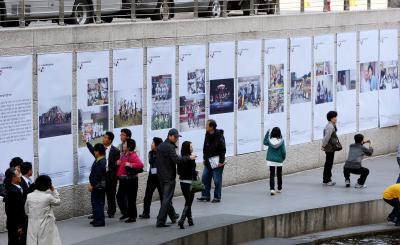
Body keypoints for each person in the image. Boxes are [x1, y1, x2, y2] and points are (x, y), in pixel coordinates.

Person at [155, 128, 196, 228]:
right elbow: (177, 159)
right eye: (175, 137)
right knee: (167, 199)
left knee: (166, 198)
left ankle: (173, 216)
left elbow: (158, 162)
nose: (177, 139)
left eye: (177, 137)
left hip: (160, 176)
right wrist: (189, 157)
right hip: (168, 177)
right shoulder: (169, 147)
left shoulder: (160, 146)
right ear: (170, 136)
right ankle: (160, 221)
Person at [86, 131, 120, 218]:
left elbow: (116, 165)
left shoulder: (115, 151)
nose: (103, 139)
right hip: (101, 176)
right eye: (103, 137)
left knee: (111, 195)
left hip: (111, 177)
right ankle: (97, 213)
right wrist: (87, 142)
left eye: (105, 137)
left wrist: (115, 176)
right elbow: (93, 151)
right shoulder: (100, 149)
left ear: (110, 140)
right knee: (99, 196)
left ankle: (111, 212)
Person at [25, 175, 62, 245]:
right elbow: (58, 202)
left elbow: (26, 210)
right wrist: (54, 191)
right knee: (47, 241)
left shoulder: (29, 196)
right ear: (48, 185)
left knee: (33, 241)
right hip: (46, 223)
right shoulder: (48, 197)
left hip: (32, 223)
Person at [198, 119, 226, 203]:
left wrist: (221, 161)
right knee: (205, 178)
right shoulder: (207, 134)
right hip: (207, 160)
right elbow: (205, 148)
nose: (205, 126)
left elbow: (223, 150)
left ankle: (217, 197)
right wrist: (204, 158)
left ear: (211, 127)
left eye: (207, 125)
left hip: (216, 160)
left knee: (217, 180)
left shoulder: (219, 136)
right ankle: (205, 195)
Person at [116, 139, 144, 223]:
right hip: (123, 180)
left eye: (124, 144)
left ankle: (132, 216)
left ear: (128, 147)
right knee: (119, 197)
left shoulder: (133, 155)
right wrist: (117, 163)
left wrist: (131, 164)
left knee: (131, 198)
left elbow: (140, 164)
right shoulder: (123, 154)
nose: (123, 145)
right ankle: (126, 213)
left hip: (131, 180)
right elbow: (121, 165)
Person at [139, 137, 163, 219]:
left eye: (153, 143)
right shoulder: (151, 153)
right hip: (152, 177)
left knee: (163, 196)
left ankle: (164, 213)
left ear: (157, 145)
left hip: (160, 177)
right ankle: (146, 213)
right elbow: (151, 161)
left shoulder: (162, 153)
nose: (151, 144)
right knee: (147, 195)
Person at [177, 141, 197, 229]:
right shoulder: (191, 158)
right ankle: (182, 220)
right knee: (189, 202)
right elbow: (192, 171)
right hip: (190, 182)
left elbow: (179, 172)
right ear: (187, 148)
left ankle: (190, 220)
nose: (192, 148)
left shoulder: (180, 158)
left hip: (182, 182)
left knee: (187, 201)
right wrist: (195, 172)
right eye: (191, 147)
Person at [3, 167, 27, 245]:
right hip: (16, 225)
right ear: (13, 177)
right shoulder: (12, 192)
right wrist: (18, 226)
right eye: (18, 174)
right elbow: (11, 212)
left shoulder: (18, 187)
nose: (20, 175)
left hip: (20, 223)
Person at [88, 143, 107, 227]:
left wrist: (92, 184)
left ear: (98, 152)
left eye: (95, 151)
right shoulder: (99, 158)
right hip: (96, 185)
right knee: (94, 202)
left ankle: (100, 221)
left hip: (98, 185)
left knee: (98, 202)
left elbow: (98, 175)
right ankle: (96, 218)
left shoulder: (101, 161)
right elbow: (92, 150)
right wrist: (87, 143)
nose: (94, 152)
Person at [263, 127, 286, 195]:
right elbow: (283, 151)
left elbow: (264, 142)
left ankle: (272, 189)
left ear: (272, 133)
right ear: (279, 133)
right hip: (279, 160)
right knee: (279, 174)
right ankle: (279, 188)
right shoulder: (281, 141)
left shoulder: (269, 141)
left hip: (271, 160)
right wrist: (283, 158)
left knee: (272, 175)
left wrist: (267, 133)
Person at [321, 111, 339, 186]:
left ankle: (327, 179)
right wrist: (323, 145)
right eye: (334, 117)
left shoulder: (331, 125)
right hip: (329, 147)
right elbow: (326, 137)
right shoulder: (330, 126)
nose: (336, 119)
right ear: (331, 118)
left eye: (336, 117)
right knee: (329, 163)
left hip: (330, 147)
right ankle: (327, 180)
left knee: (328, 163)